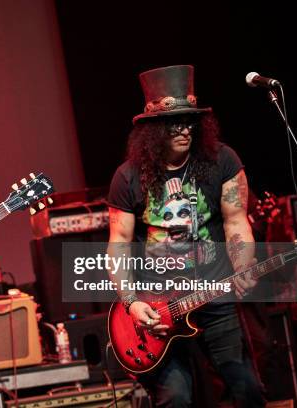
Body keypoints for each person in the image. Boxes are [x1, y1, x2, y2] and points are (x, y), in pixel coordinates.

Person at [106, 65, 264, 407]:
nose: (184, 129)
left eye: (189, 120)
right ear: (152, 130)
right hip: (156, 308)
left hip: (214, 295)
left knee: (247, 390)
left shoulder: (222, 160)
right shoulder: (128, 177)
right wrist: (132, 303)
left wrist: (243, 266)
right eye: (173, 123)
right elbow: (117, 245)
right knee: (176, 397)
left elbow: (237, 222)